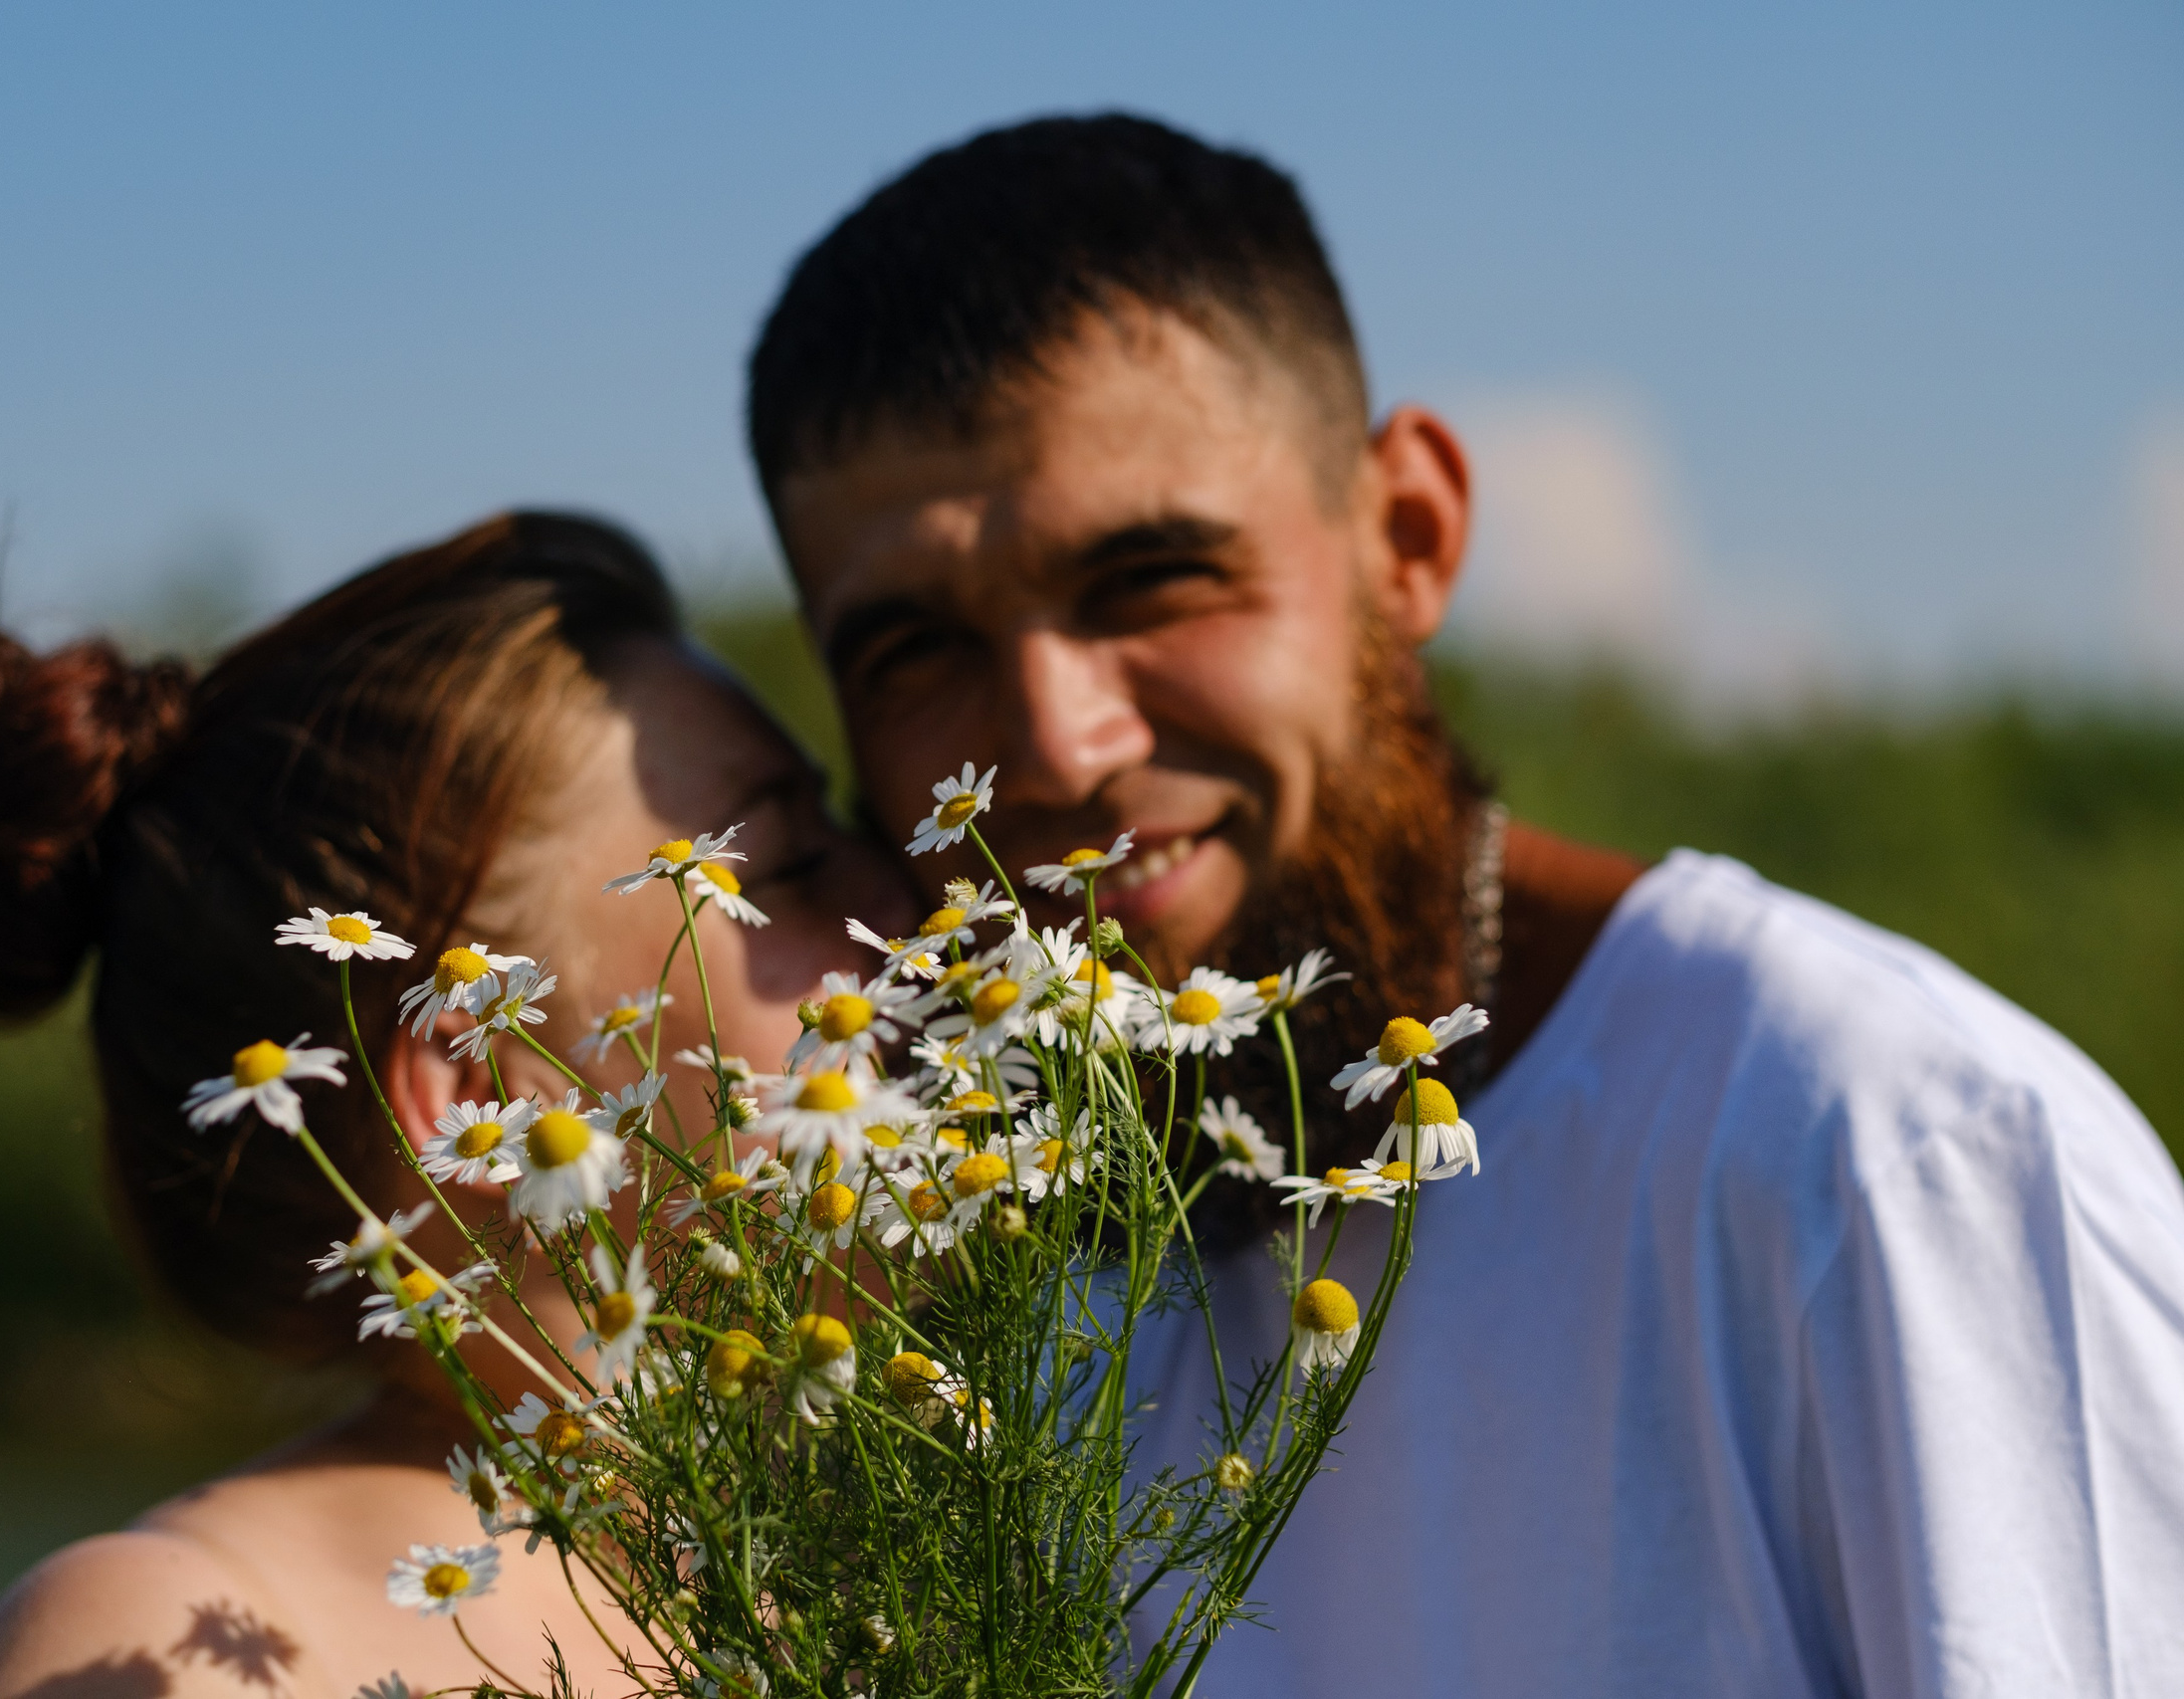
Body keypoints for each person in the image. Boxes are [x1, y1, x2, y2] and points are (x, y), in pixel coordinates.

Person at [746, 113, 2184, 1694]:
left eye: (1154, 576)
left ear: (1408, 534)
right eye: (913, 651)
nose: (1057, 745)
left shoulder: (1874, 1155)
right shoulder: (1004, 1307)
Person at [0, 513, 911, 1699]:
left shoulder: (878, 1580)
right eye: (793, 867)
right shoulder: (165, 1642)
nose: (902, 911)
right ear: (477, 1082)